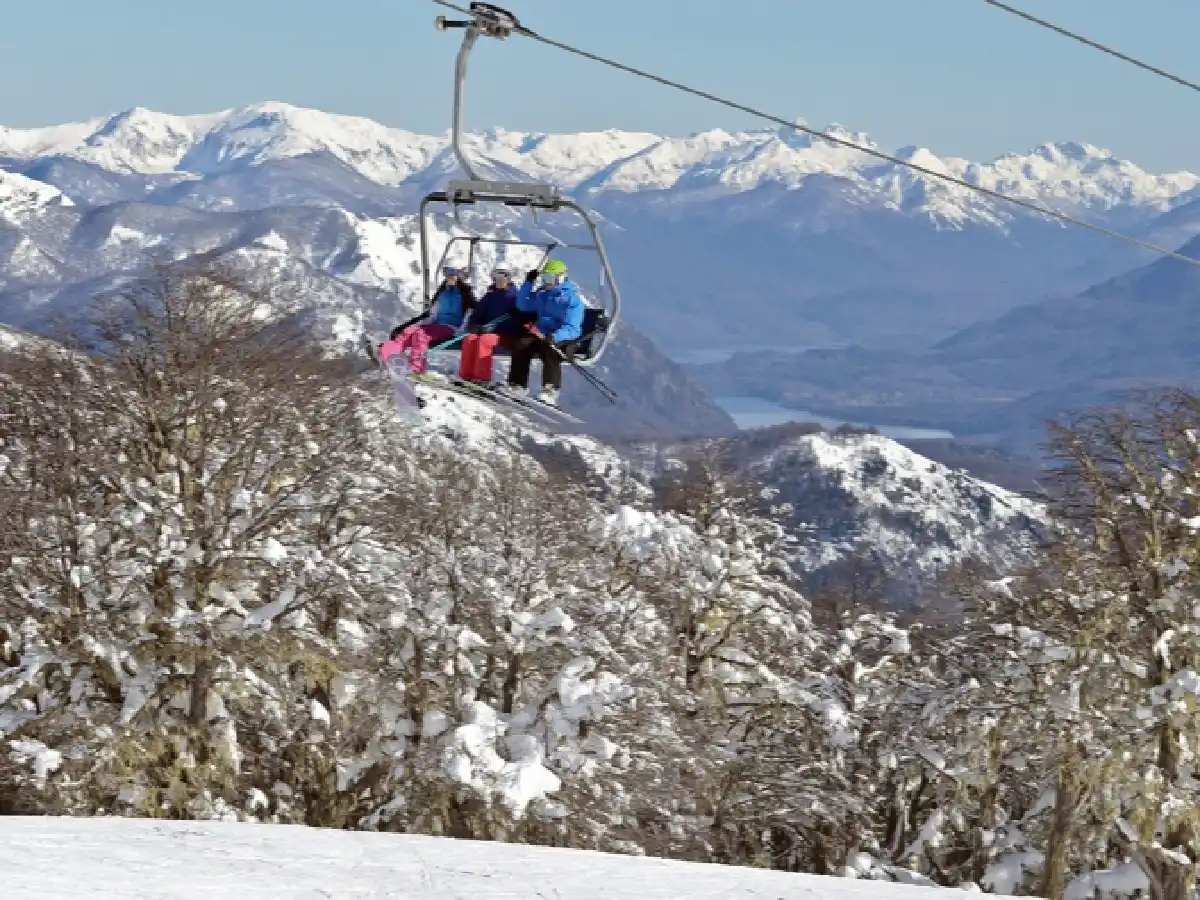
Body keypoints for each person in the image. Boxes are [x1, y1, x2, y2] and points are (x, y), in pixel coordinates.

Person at [504, 259, 585, 407]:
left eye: (549, 278)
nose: (546, 282)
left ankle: (550, 390)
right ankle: (517, 385)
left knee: (549, 349)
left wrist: (554, 336)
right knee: (521, 344)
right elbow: (522, 305)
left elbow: (573, 328)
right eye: (544, 278)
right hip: (541, 332)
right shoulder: (543, 294)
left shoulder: (572, 300)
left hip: (564, 336)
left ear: (559, 278)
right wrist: (528, 283)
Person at [379, 266, 476, 374]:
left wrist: (460, 332)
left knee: (421, 334)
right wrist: (422, 326)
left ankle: (416, 368)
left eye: (452, 275)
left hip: (451, 328)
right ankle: (388, 354)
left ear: (459, 277)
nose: (449, 278)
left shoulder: (465, 295)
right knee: (409, 331)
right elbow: (433, 314)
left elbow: (469, 314)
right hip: (436, 327)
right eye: (447, 275)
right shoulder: (443, 293)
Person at [458, 267, 521, 382]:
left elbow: (517, 321)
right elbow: (477, 314)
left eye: (503, 278)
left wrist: (492, 329)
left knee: (485, 340)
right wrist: (475, 325)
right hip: (487, 332)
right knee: (469, 338)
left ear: (509, 279)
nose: (499, 281)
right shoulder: (490, 296)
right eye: (496, 277)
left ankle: (482, 377)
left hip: (507, 336)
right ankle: (466, 374)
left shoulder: (515, 297)